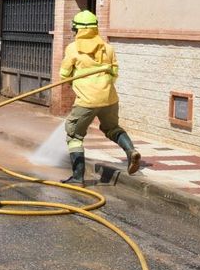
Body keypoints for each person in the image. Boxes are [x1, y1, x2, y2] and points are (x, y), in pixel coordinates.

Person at [59, 10, 140, 186]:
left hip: (87, 100)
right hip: (109, 98)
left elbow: (64, 75)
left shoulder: (73, 49)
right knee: (112, 128)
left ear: (78, 29)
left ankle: (78, 178)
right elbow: (114, 74)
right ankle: (131, 151)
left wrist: (76, 82)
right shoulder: (108, 48)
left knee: (74, 136)